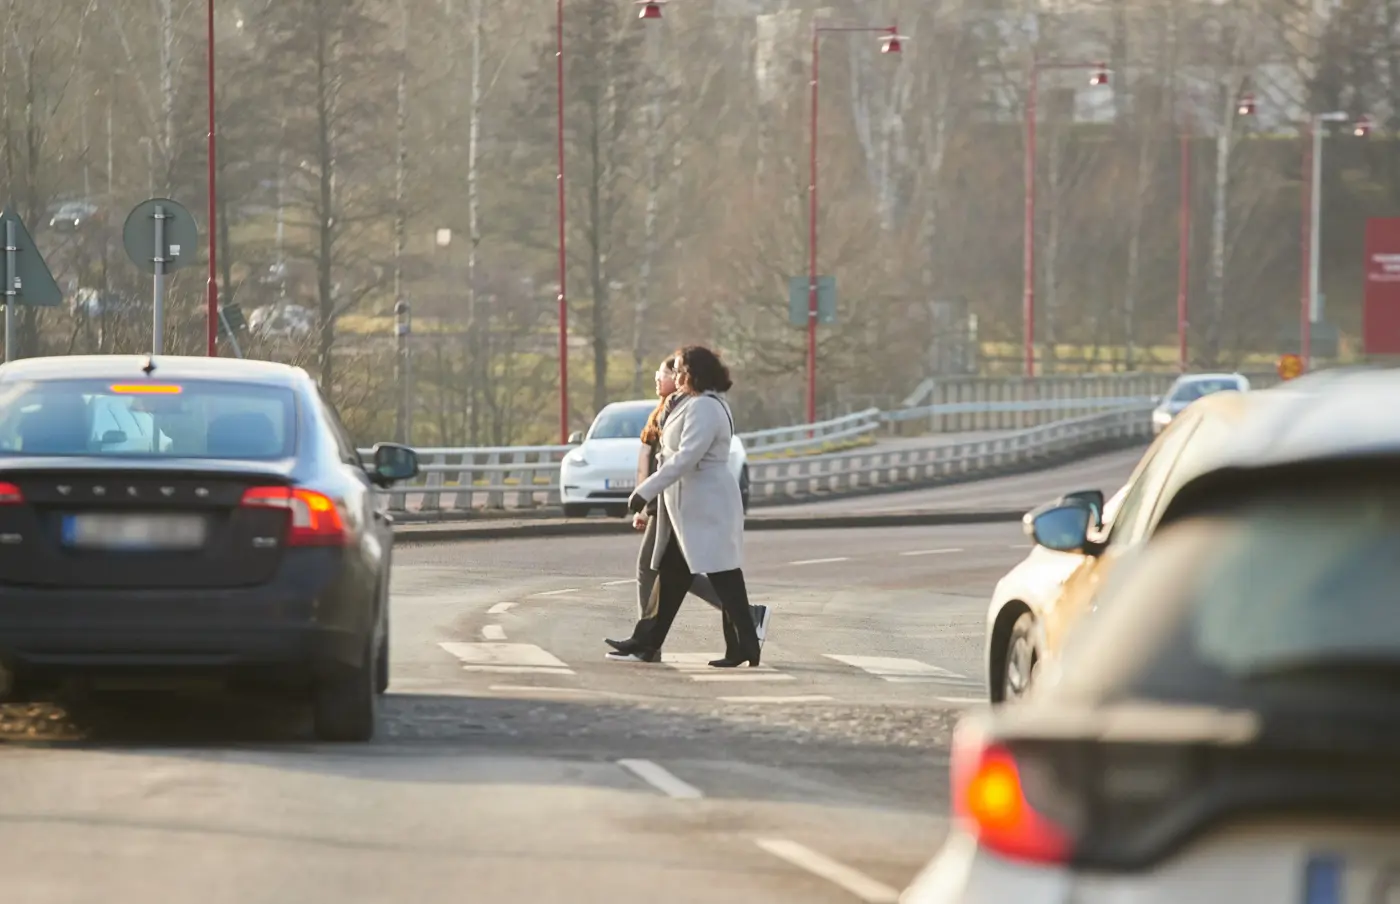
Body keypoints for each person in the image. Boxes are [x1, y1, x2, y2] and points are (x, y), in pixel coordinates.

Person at [605, 357, 769, 662]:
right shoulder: (692, 403)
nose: (676, 374)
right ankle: (647, 642)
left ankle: (744, 643)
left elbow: (687, 456)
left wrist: (645, 490)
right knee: (672, 575)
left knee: (724, 577)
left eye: (680, 369)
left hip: (706, 504)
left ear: (695, 372)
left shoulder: (705, 406)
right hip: (690, 506)